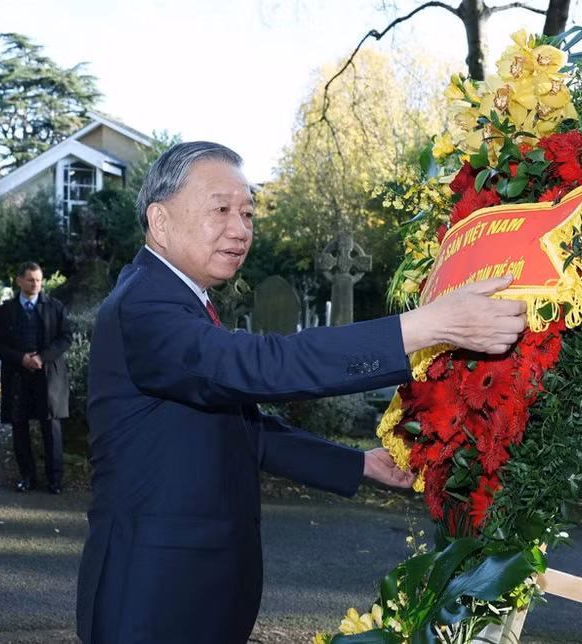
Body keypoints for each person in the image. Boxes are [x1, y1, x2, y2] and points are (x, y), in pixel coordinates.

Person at [76, 142, 528, 644]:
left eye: (247, 212)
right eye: (220, 209)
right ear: (160, 222)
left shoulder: (180, 297)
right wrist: (424, 327)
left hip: (195, 589)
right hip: (153, 597)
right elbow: (258, 366)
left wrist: (358, 463)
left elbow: (242, 427)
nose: (240, 228)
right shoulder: (145, 303)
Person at [0, 262, 72, 495]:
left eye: (38, 280)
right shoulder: (5, 311)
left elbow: (65, 337)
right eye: (31, 280)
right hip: (17, 375)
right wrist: (21, 358)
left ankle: (55, 479)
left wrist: (42, 358)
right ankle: (27, 477)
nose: (36, 284)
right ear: (19, 281)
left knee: (51, 427)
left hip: (48, 375)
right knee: (20, 425)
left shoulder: (55, 307)